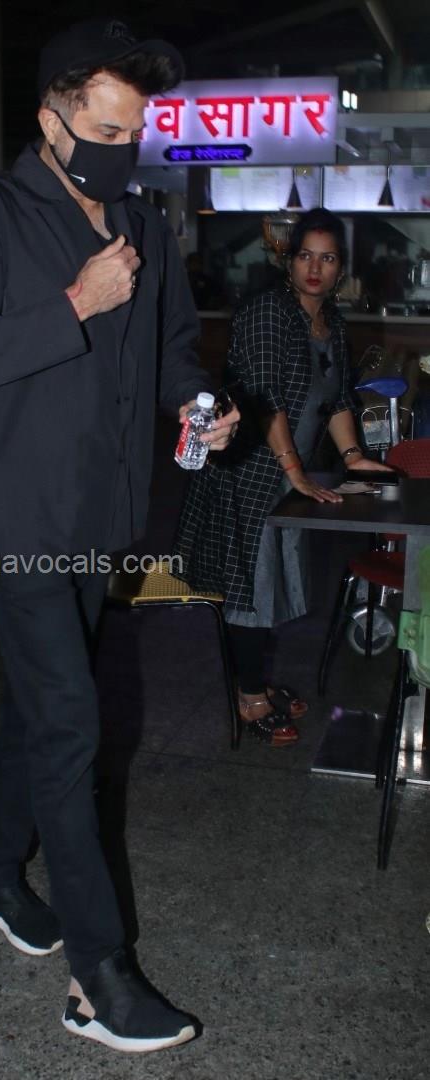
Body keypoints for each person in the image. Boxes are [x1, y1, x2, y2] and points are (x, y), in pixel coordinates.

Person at [0, 17, 238, 1054]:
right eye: (104, 129)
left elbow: (173, 348)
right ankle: (99, 980)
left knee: (37, 704)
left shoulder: (139, 223)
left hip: (95, 514)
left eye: (133, 131)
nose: (121, 148)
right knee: (69, 719)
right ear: (52, 122)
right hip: (11, 511)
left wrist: (200, 404)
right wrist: (71, 303)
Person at [174, 208, 390, 746]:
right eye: (305, 256)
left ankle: (258, 680)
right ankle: (249, 697)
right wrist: (296, 472)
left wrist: (354, 456)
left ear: (341, 268)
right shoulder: (268, 311)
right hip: (248, 471)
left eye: (327, 258)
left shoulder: (331, 321)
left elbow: (336, 398)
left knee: (267, 584)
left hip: (286, 473)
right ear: (288, 261)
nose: (315, 268)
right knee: (250, 587)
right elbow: (264, 399)